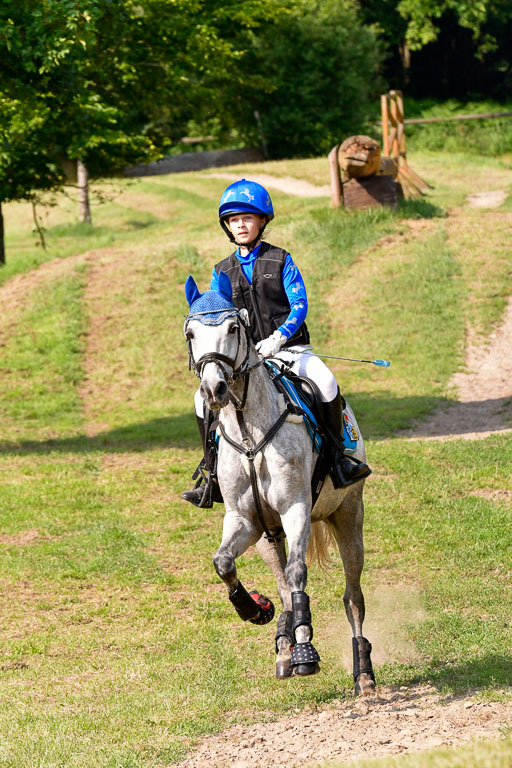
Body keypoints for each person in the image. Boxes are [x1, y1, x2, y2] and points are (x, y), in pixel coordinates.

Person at [181, 179, 370, 507]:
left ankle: (340, 460)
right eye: (234, 219)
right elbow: (216, 315)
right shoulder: (221, 272)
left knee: (325, 381)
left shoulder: (281, 259)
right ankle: (210, 473)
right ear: (227, 226)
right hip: (243, 360)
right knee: (201, 401)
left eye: (247, 218)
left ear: (262, 221)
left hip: (289, 350)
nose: (240, 224)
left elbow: (300, 305)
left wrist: (278, 338)